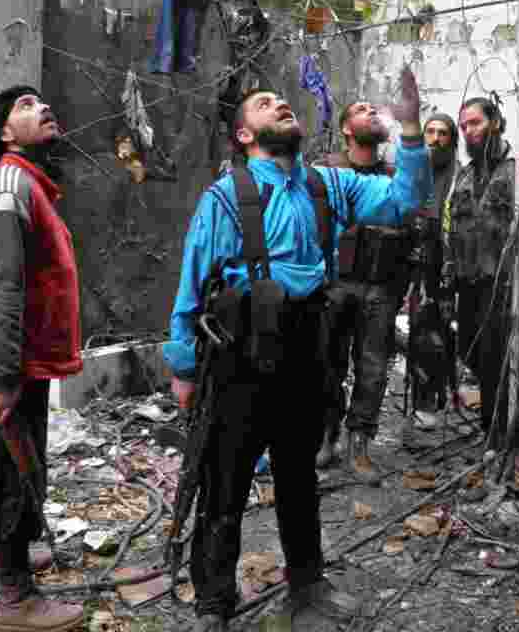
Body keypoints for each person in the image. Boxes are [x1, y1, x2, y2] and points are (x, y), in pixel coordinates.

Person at [164, 67, 432, 632]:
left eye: (283, 101)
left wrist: (409, 125)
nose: (281, 104)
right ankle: (214, 605)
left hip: (308, 353)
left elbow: (406, 198)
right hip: (239, 359)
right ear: (244, 135)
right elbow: (192, 281)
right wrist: (183, 366)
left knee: (298, 479)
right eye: (265, 103)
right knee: (225, 484)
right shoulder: (226, 195)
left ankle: (307, 588)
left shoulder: (326, 185)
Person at [0, 87, 84, 632]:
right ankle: (16, 599)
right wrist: (2, 377)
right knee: (14, 467)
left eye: (44, 102)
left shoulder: (24, 185)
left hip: (21, 359)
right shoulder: (8, 184)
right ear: (5, 133)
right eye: (26, 106)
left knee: (15, 462)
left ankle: (3, 558)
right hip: (12, 363)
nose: (44, 107)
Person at [443, 96, 519, 458]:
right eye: (464, 126)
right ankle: (497, 428)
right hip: (471, 287)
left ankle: (503, 436)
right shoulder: (463, 175)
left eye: (476, 123)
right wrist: (448, 281)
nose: (469, 131)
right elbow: (451, 230)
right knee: (472, 354)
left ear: (495, 122)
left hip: (510, 286)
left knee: (503, 360)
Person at [312, 99, 415, 482]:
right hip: (335, 285)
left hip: (381, 289)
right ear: (346, 128)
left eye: (375, 109)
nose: (372, 112)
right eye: (361, 109)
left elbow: (414, 232)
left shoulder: (395, 174)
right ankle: (327, 435)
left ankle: (360, 446)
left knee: (372, 370)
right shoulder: (325, 172)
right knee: (326, 365)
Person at [401, 112, 459, 447]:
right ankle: (423, 402)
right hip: (411, 262)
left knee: (437, 336)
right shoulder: (411, 174)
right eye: (431, 132)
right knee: (419, 333)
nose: (435, 139)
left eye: (443, 133)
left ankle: (432, 402)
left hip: (445, 265)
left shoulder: (459, 176)